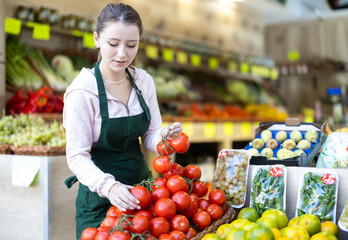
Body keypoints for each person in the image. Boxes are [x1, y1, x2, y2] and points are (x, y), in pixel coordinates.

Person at [63, 3, 182, 239]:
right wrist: (110, 187)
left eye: (131, 45)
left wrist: (164, 138)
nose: (122, 54)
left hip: (143, 194)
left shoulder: (144, 81)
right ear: (97, 39)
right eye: (113, 44)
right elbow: (77, 156)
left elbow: (150, 133)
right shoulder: (83, 92)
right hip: (99, 200)